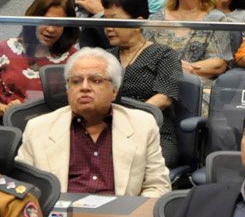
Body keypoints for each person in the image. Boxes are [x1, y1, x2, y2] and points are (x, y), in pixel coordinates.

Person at [15, 46, 171, 198]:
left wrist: (135, 212)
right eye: (76, 81)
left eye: (96, 81)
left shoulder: (142, 125)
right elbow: (22, 187)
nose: (84, 87)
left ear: (114, 90)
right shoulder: (38, 128)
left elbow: (157, 186)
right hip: (60, 213)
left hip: (121, 213)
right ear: (68, 89)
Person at [96, 0, 182, 168]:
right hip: (107, 131)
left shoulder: (164, 55)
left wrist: (125, 119)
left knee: (125, 164)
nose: (108, 28)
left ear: (138, 22)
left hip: (152, 132)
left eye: (114, 20)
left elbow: (164, 97)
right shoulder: (104, 57)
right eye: (105, 20)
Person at [0, 0, 79, 120]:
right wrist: (7, 110)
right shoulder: (6, 48)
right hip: (12, 123)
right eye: (46, 21)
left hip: (56, 124)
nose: (51, 29)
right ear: (33, 19)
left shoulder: (74, 58)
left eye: (58, 23)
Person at [149, 0, 233, 95]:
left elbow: (218, 64)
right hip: (155, 88)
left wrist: (180, 70)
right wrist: (177, 68)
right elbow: (144, 56)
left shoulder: (216, 19)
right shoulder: (156, 19)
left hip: (197, 89)